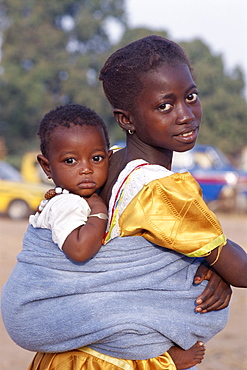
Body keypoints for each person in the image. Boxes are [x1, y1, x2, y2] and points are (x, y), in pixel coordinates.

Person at [2, 36, 244, 370]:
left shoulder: (107, 163)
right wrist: (218, 268)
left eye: (191, 97)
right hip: (111, 360)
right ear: (125, 120)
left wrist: (204, 265)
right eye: (165, 105)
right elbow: (242, 272)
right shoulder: (160, 190)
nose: (186, 114)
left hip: (66, 355)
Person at [29, 103, 112, 263]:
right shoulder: (66, 204)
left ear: (108, 160)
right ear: (47, 167)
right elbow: (80, 250)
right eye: (70, 161)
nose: (86, 169)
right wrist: (99, 208)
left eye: (96, 158)